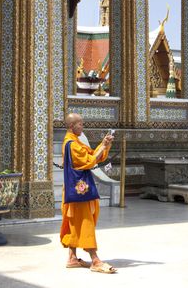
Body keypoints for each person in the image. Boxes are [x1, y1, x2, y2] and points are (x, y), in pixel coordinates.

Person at [60, 113, 117, 274]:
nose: (82, 127)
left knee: (76, 222)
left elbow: (92, 156)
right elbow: (89, 161)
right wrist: (102, 147)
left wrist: (104, 144)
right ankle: (95, 259)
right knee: (85, 222)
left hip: (77, 190)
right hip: (78, 192)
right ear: (72, 126)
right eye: (80, 124)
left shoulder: (75, 142)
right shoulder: (71, 144)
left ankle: (72, 258)